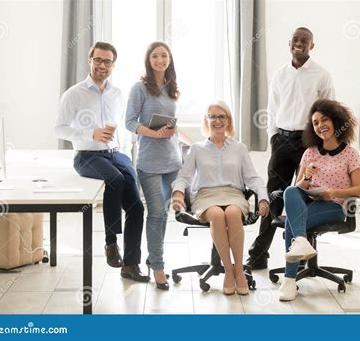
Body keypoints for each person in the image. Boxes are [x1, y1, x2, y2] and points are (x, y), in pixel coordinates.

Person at [55, 41, 148, 282]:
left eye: (107, 61)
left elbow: (121, 128)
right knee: (114, 179)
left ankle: (131, 264)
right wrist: (90, 134)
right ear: (90, 60)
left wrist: (124, 152)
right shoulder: (74, 93)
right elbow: (59, 129)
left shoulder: (117, 94)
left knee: (137, 207)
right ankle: (110, 243)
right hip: (87, 155)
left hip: (115, 153)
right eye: (98, 60)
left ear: (113, 65)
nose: (102, 65)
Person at [247, 27, 335, 270]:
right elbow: (272, 109)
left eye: (305, 41)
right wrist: (274, 137)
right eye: (296, 40)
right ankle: (258, 254)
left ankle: (304, 254)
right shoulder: (280, 74)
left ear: (312, 46)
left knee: (305, 196)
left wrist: (322, 144)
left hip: (309, 142)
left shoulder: (321, 75)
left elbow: (330, 112)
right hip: (282, 141)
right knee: (272, 196)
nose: (299, 44)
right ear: (289, 43)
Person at [171, 101, 270, 295]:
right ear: (206, 120)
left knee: (233, 213)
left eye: (221, 116)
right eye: (212, 116)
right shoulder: (197, 149)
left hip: (233, 194)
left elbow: (253, 178)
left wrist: (263, 197)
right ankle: (228, 271)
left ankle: (238, 270)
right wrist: (178, 193)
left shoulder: (239, 148)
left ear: (228, 121)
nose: (217, 120)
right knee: (217, 214)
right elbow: (184, 177)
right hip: (206, 195)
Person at [278, 99, 360, 301]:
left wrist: (334, 192)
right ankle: (301, 241)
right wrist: (307, 177)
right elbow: (299, 187)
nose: (320, 126)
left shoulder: (351, 154)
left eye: (324, 120)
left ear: (336, 121)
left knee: (293, 222)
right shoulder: (310, 152)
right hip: (308, 200)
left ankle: (289, 280)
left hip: (333, 206)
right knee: (291, 190)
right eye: (315, 123)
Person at [125, 41, 181, 291]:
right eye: (156, 56)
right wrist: (154, 134)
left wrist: (170, 130)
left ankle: (153, 257)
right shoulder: (139, 88)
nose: (160, 60)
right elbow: (129, 122)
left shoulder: (171, 88)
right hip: (149, 161)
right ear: (149, 60)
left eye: (164, 56)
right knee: (156, 213)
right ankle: (158, 266)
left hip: (172, 161)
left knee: (164, 214)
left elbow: (170, 123)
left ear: (169, 60)